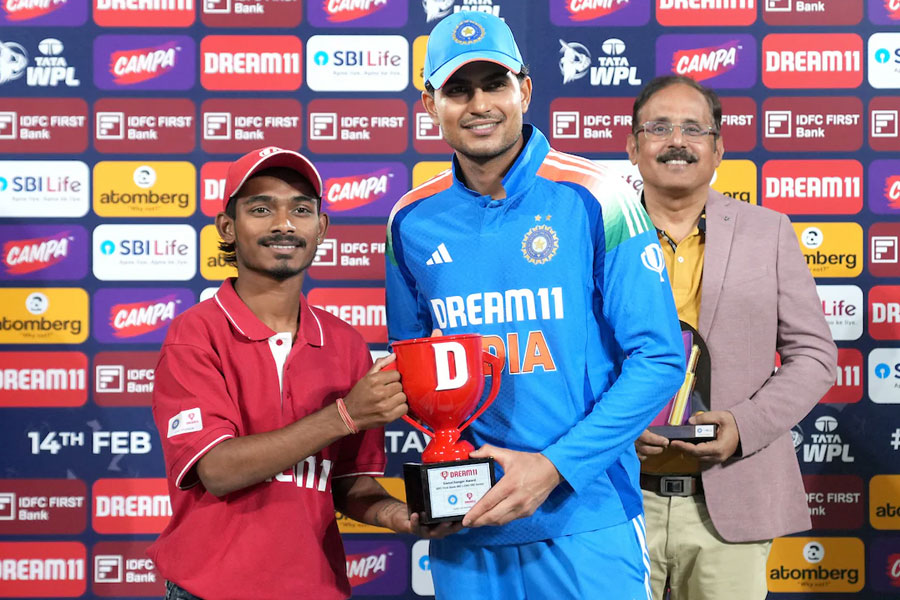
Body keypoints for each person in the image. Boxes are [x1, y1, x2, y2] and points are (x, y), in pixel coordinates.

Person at [385, 12, 685, 599]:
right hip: (468, 526)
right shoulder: (410, 220)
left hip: (586, 517)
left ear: (524, 90)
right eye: (457, 89)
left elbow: (659, 359)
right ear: (429, 105)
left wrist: (552, 468)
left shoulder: (598, 196)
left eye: (494, 84)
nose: (479, 105)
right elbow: (412, 368)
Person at [148, 146, 455, 600]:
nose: (284, 224)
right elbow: (218, 469)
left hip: (316, 588)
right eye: (261, 209)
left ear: (321, 228)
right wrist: (345, 415)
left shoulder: (344, 343)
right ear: (227, 227)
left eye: (301, 210)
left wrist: (401, 516)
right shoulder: (195, 334)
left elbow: (347, 482)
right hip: (210, 591)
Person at [627, 76, 838, 600]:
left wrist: (744, 426)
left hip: (732, 497)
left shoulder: (768, 231)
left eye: (694, 129)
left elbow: (814, 355)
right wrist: (615, 428)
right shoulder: (597, 233)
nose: (677, 141)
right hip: (616, 499)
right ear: (632, 146)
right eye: (659, 128)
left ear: (718, 148)